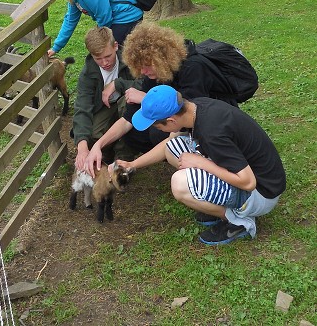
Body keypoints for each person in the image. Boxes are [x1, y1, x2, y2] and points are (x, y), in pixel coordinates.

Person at [115, 85, 286, 245]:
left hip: (262, 193)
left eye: (156, 125)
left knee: (179, 183)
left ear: (171, 120)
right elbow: (168, 143)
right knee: (173, 147)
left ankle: (239, 221)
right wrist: (133, 164)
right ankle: (219, 202)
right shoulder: (193, 108)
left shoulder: (212, 133)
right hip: (252, 175)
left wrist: (202, 163)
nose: (156, 129)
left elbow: (248, 182)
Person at [83, 22, 255, 176]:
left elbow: (190, 116)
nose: (143, 72)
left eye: (146, 66)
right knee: (135, 132)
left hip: (214, 122)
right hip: (182, 120)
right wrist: (98, 145)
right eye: (139, 67)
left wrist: (144, 98)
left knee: (159, 132)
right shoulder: (155, 72)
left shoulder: (193, 68)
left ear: (161, 58)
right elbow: (128, 118)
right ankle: (182, 157)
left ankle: (205, 168)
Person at [72, 27, 138, 171]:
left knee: (126, 103)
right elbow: (82, 107)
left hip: (129, 105)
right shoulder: (88, 74)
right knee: (94, 132)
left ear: (115, 46)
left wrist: (117, 84)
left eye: (108, 56)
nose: (104, 63)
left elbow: (144, 84)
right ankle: (105, 153)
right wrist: (82, 147)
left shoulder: (130, 59)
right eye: (98, 59)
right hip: (105, 108)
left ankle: (123, 157)